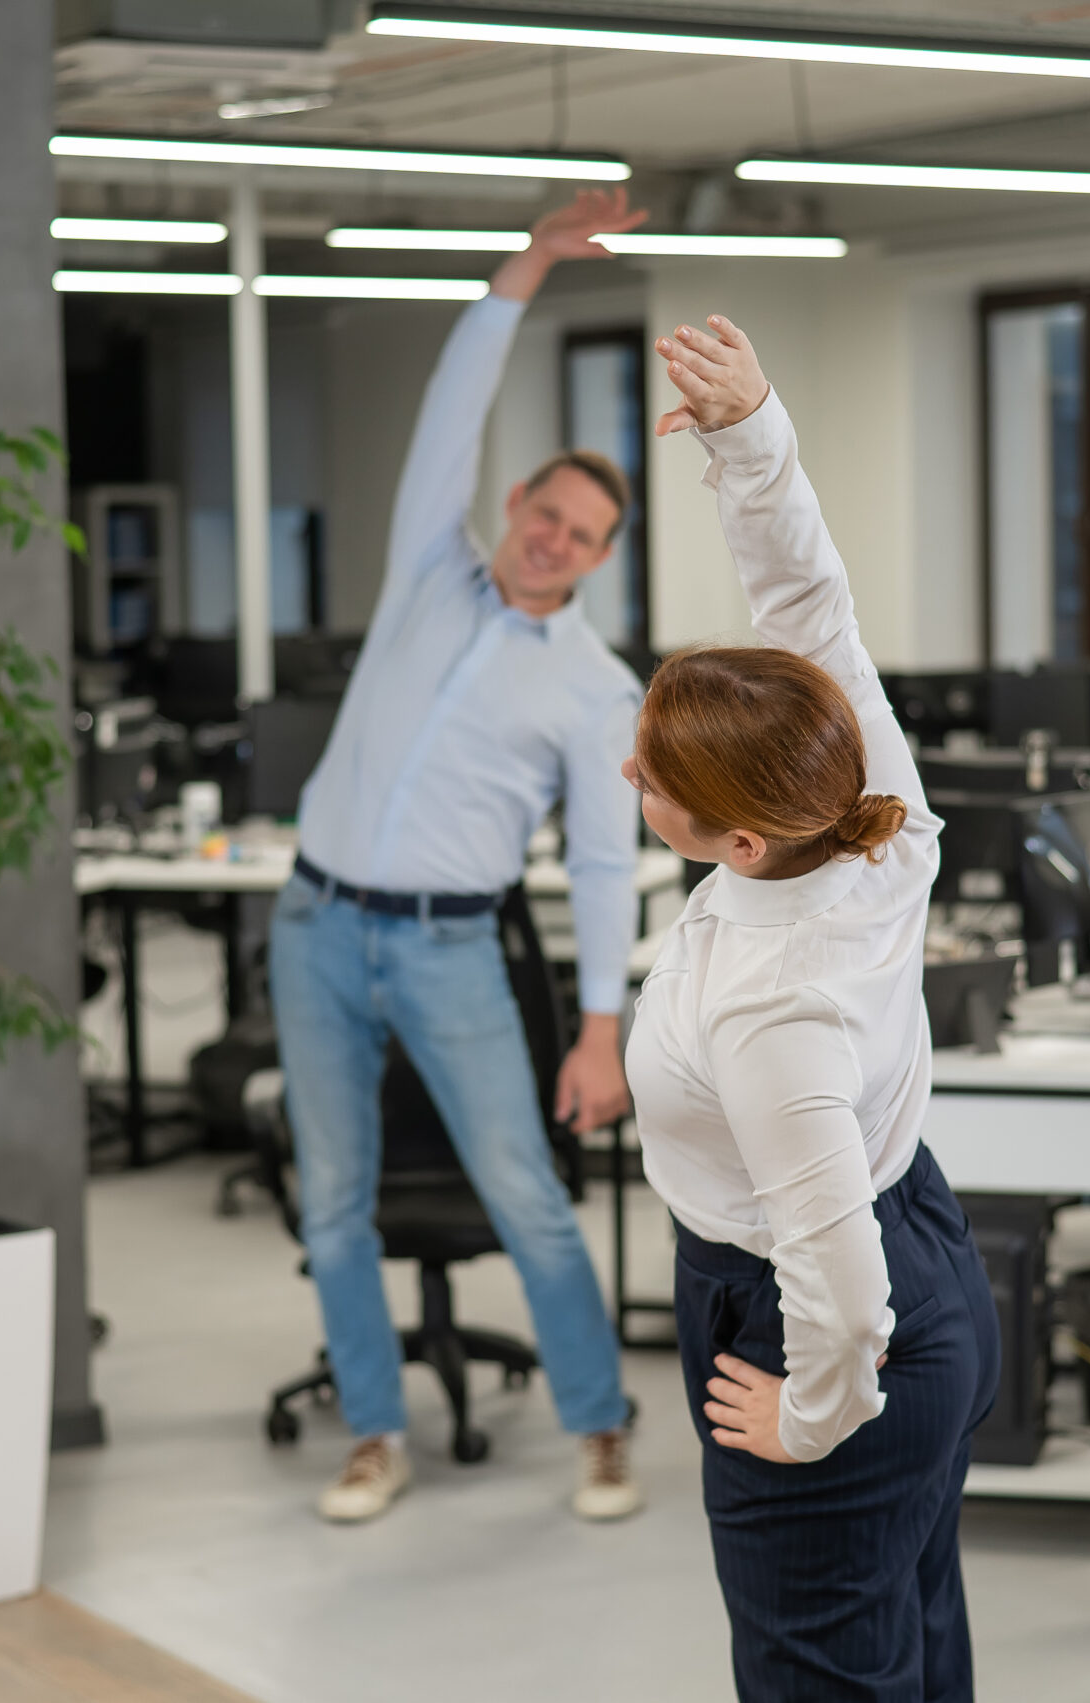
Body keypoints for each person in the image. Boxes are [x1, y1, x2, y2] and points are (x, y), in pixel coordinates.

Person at [624, 314, 1000, 1702]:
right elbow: (810, 613)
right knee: (910, 1640)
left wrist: (814, 1410)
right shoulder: (868, 817)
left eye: (654, 773)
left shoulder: (774, 1011)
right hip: (934, 1245)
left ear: (734, 841)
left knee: (825, 1678)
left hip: (826, 1321)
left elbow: (842, 1287)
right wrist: (750, 437)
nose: (630, 768)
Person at [272, 187, 649, 1525]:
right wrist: (528, 268)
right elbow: (448, 402)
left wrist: (602, 1028)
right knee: (333, 1202)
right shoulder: (430, 565)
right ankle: (374, 1430)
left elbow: (609, 868)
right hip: (314, 924)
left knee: (529, 1196)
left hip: (447, 944)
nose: (555, 540)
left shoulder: (600, 690)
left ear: (603, 559)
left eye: (584, 535)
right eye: (545, 513)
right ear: (514, 503)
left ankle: (601, 1424)